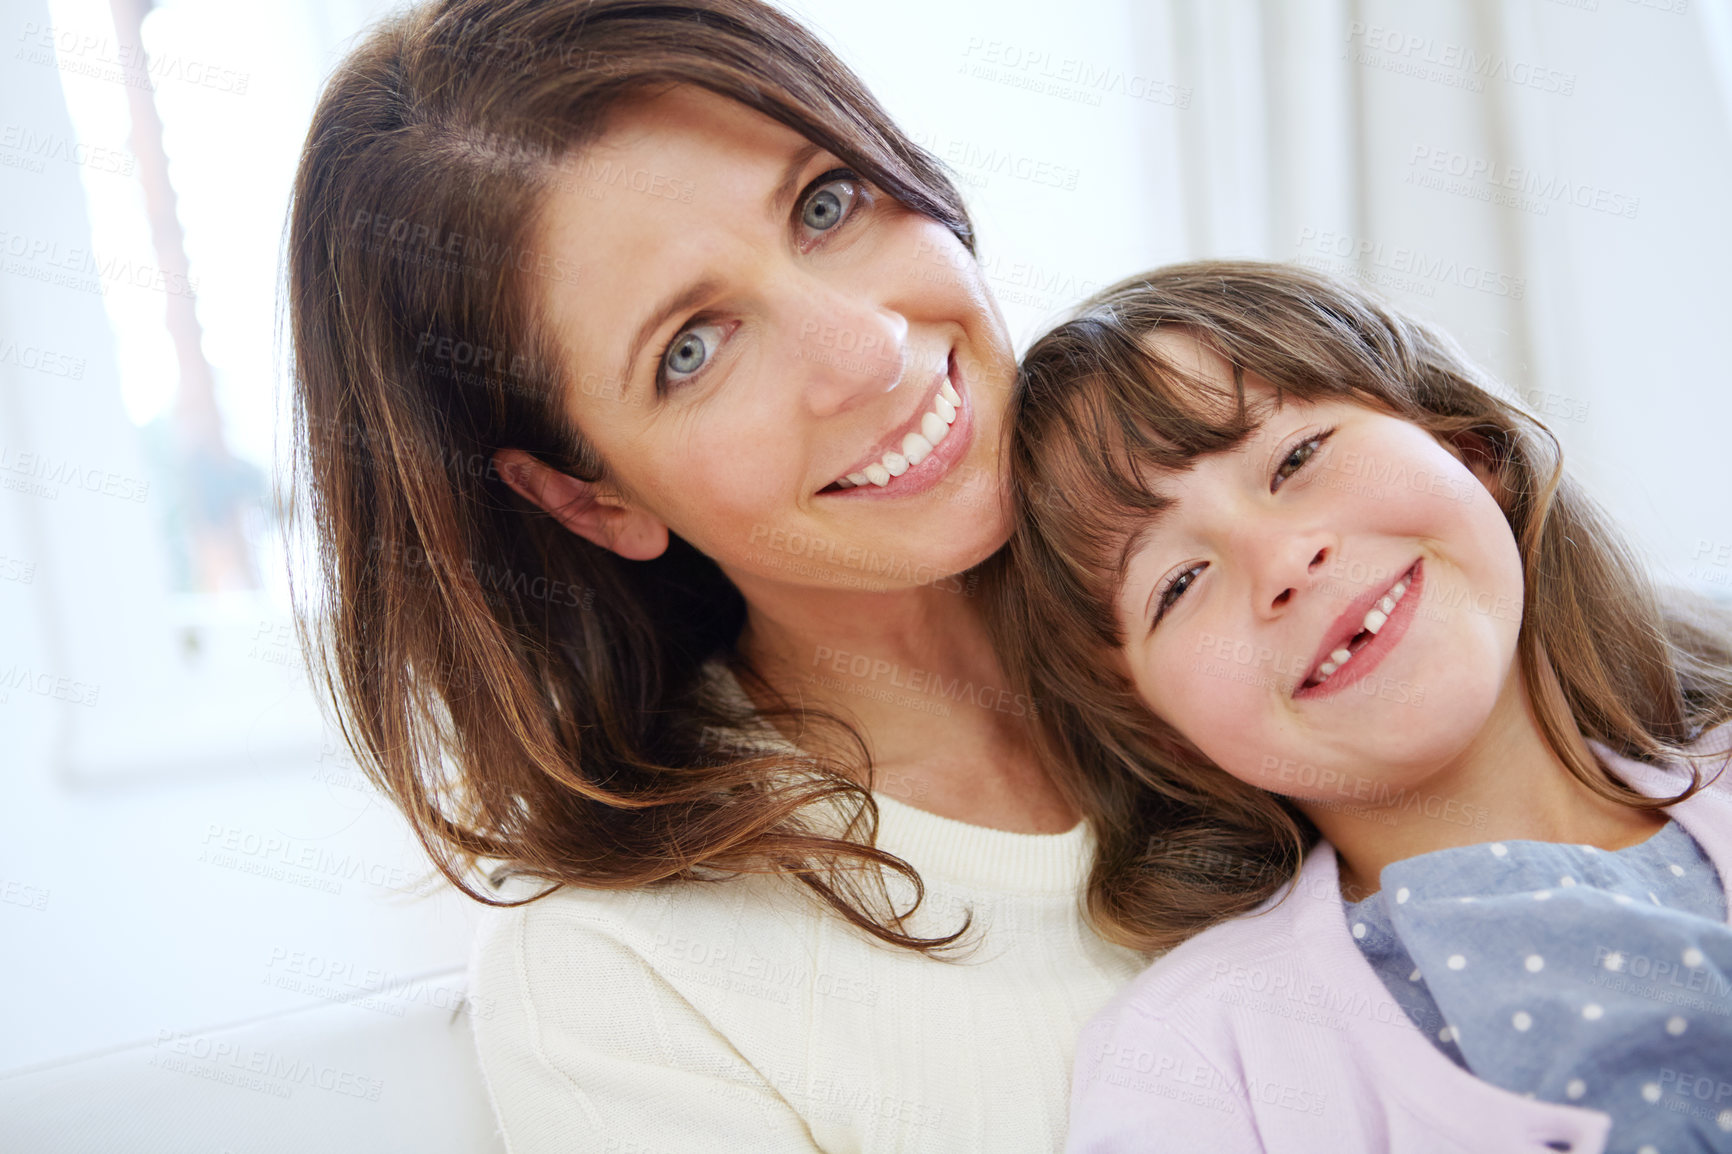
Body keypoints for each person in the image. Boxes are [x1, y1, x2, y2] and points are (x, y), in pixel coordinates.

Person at [283, 1, 1164, 1149]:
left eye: (825, 202)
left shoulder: (1273, 568)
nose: (868, 350)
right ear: (586, 494)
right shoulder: (624, 981)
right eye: (691, 348)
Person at [992, 261, 1732, 1152]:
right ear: (1159, 730)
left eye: (1298, 457)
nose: (1282, 562)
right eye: (1178, 584)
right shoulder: (1203, 1060)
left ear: (1468, 448)